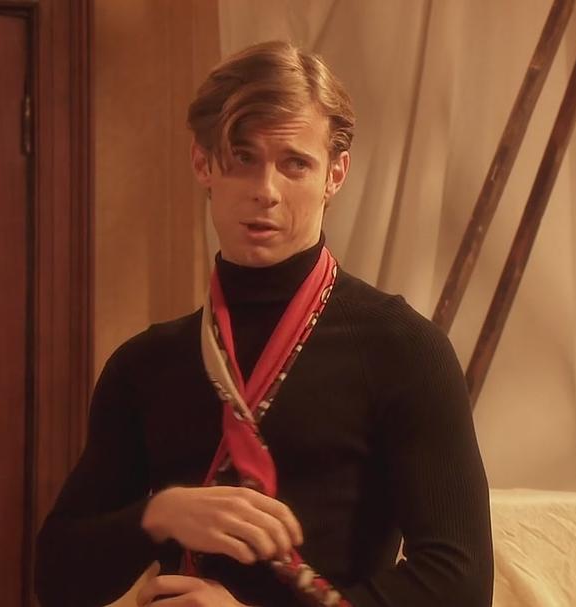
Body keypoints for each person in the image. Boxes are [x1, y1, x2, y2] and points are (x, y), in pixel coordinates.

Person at [34, 40, 493, 607]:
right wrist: (160, 515)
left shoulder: (404, 349)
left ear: (335, 175)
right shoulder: (144, 364)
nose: (265, 191)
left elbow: (460, 583)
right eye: (242, 157)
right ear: (203, 163)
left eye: (295, 163)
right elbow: (56, 579)